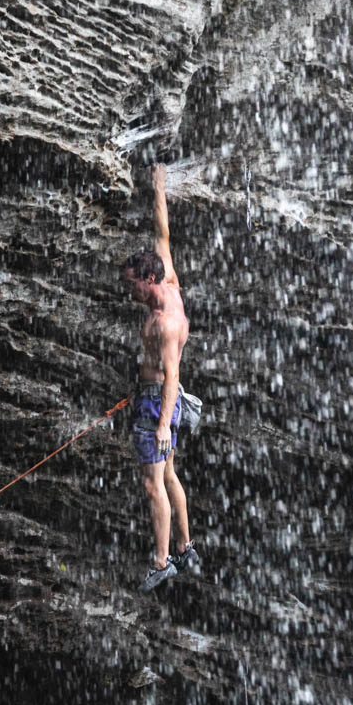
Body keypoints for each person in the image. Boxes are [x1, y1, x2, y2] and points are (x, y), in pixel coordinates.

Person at [122, 164, 201, 592]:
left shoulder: (165, 323)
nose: (128, 290)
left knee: (154, 485)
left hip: (157, 402)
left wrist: (162, 425)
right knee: (169, 477)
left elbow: (171, 376)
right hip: (153, 397)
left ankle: (161, 560)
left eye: (132, 284)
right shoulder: (166, 272)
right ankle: (186, 546)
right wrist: (159, 185)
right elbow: (162, 229)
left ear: (147, 280)